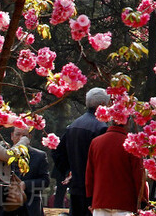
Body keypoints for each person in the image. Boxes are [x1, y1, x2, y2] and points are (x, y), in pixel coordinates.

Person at [53, 88, 110, 216]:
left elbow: (57, 153)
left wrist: (68, 172)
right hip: (93, 189)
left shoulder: (74, 125)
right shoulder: (101, 128)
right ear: (103, 105)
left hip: (75, 186)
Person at [85, 115, 146, 216]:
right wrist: (143, 200)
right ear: (128, 122)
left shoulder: (95, 142)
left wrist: (90, 199)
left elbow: (89, 175)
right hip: (125, 203)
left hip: (100, 201)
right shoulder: (132, 144)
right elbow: (138, 176)